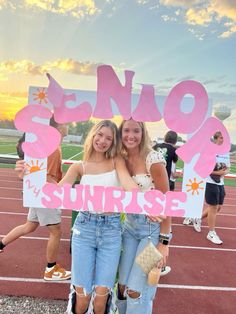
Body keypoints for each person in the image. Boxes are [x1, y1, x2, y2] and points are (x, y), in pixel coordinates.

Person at [63, 120, 139, 314]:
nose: (103, 141)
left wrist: (147, 200)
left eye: (109, 138)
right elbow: (55, 192)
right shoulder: (78, 167)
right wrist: (28, 176)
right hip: (84, 228)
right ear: (93, 135)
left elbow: (128, 184)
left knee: (101, 295)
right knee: (82, 295)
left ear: (113, 142)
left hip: (111, 230)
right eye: (100, 135)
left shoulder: (116, 162)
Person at [0, 117, 71, 281]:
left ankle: (0, 245)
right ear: (58, 125)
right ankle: (51, 270)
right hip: (44, 194)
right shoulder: (53, 147)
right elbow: (46, 176)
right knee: (56, 231)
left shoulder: (49, 144)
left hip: (36, 192)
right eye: (65, 123)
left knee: (30, 226)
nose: (67, 126)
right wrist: (62, 189)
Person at [116, 119, 171, 314]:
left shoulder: (153, 159)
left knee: (136, 290)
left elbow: (167, 202)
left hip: (151, 232)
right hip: (129, 228)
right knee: (122, 287)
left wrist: (164, 243)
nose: (131, 135)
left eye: (136, 131)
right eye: (126, 130)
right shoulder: (121, 157)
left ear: (143, 133)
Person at [195, 131, 230, 244]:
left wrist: (223, 172)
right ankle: (211, 233)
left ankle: (198, 218)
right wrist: (217, 172)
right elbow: (204, 168)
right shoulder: (209, 152)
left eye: (223, 138)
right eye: (220, 138)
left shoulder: (225, 152)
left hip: (220, 182)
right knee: (213, 207)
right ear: (215, 139)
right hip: (210, 182)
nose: (222, 140)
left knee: (218, 207)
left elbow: (228, 167)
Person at [153, 130, 178, 276]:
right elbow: (174, 164)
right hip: (165, 180)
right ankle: (159, 266)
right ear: (174, 141)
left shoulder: (155, 146)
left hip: (151, 183)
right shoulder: (173, 150)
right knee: (164, 213)